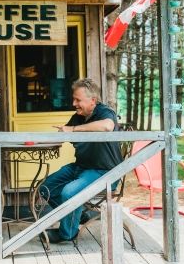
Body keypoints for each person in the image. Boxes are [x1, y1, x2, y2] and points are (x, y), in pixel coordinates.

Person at [40, 78, 122, 243]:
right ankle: (78, 214)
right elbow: (63, 135)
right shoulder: (78, 116)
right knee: (46, 188)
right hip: (80, 168)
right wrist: (37, 141)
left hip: (105, 172)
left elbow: (107, 126)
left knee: (70, 192)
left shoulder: (105, 112)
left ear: (92, 101)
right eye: (73, 99)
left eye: (78, 100)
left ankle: (67, 234)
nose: (74, 103)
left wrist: (73, 129)